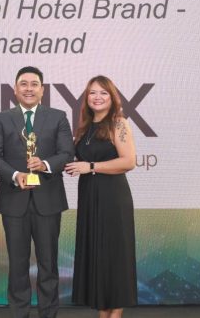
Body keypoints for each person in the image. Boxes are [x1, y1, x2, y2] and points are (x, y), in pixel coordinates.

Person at [0, 66, 74, 318]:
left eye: (34, 84)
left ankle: (48, 314)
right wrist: (15, 175)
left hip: (49, 201)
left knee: (48, 264)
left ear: (42, 90)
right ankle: (19, 314)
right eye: (23, 84)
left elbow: (67, 153)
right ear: (15, 89)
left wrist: (44, 164)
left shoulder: (58, 117)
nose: (29, 89)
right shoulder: (1, 119)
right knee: (17, 265)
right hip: (14, 201)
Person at [65, 76, 137, 317]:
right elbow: (80, 160)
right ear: (86, 97)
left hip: (112, 199)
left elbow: (129, 161)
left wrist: (91, 166)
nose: (97, 97)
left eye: (103, 93)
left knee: (114, 257)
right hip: (89, 198)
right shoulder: (84, 127)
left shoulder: (118, 123)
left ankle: (115, 314)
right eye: (93, 93)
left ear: (112, 98)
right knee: (98, 257)